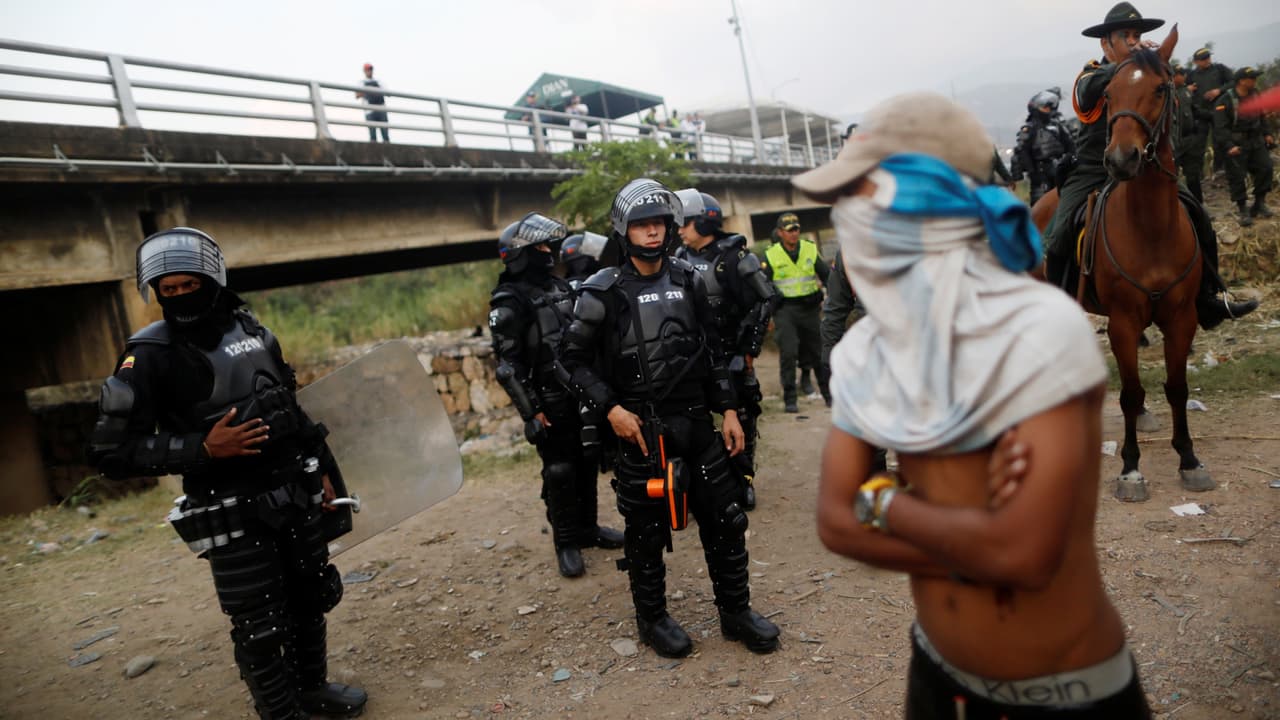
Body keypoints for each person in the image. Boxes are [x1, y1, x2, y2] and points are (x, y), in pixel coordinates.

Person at [800, 90, 1154, 719]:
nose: (850, 222)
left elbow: (1025, 555)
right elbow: (835, 521)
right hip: (936, 677)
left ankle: (1205, 290)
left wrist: (882, 501)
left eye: (864, 199)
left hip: (1071, 696)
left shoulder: (1040, 332)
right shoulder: (868, 352)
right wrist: (974, 541)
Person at [88, 228, 367, 720]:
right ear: (156, 291)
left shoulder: (253, 332)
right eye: (168, 289)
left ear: (211, 280)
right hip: (232, 508)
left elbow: (290, 409)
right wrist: (203, 447)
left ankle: (313, 688)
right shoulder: (148, 354)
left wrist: (323, 470)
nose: (179, 296)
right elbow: (111, 453)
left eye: (188, 285)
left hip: (293, 490)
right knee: (260, 625)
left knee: (311, 595)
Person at [557, 178, 779, 658]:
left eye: (659, 222)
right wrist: (611, 409)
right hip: (641, 431)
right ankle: (652, 619)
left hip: (697, 423)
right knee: (645, 534)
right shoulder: (602, 292)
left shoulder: (688, 278)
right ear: (625, 230)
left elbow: (712, 351)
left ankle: (736, 612)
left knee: (725, 520)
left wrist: (729, 410)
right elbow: (569, 362)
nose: (653, 232)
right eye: (643, 225)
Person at [1042, 2, 1257, 330]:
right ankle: (1060, 306)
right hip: (1094, 169)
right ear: (1105, 42)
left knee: (1199, 217)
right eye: (1125, 36)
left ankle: (1209, 297)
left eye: (1136, 35)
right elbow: (1086, 93)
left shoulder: (1150, 75)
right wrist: (1133, 64)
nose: (1133, 41)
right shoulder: (1091, 73)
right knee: (1058, 237)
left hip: (1148, 168)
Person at [488, 214, 624, 578]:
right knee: (560, 469)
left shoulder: (560, 287)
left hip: (580, 393)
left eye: (549, 246)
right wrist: (531, 411)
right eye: (541, 247)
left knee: (587, 460)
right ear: (521, 254)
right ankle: (566, 542)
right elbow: (508, 365)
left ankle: (589, 529)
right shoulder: (509, 301)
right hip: (548, 401)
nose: (549, 253)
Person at [675, 188, 778, 510]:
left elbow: (766, 299)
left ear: (704, 222)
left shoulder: (735, 257)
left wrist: (748, 350)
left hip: (732, 351)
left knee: (742, 415)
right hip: (696, 354)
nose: (679, 230)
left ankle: (743, 480)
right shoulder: (678, 258)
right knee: (694, 422)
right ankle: (702, 487)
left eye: (685, 223)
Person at [764, 212, 829, 412]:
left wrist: (830, 300)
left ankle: (829, 395)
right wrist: (770, 306)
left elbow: (827, 276)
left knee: (819, 353)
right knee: (789, 353)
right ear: (780, 233)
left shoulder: (809, 249)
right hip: (785, 311)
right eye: (789, 230)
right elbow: (763, 285)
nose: (793, 233)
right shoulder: (771, 254)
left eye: (796, 229)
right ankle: (790, 399)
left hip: (810, 308)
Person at [1212, 66, 1275, 227]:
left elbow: (1262, 116)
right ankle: (1243, 209)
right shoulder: (1225, 100)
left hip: (1256, 141)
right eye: (1252, 78)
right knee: (1237, 177)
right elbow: (1220, 127)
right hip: (1237, 144)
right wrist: (1229, 146)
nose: (1255, 81)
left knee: (1266, 168)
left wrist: (1267, 133)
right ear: (1241, 81)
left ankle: (1259, 203)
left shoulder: (1255, 94)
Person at [1010, 90, 1075, 206]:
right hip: (1040, 174)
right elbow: (1022, 152)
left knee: (1064, 203)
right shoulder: (1029, 129)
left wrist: (1068, 161)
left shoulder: (1057, 126)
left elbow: (1071, 145)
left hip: (1060, 171)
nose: (1048, 110)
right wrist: (1032, 172)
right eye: (1045, 108)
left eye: (1049, 108)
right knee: (1040, 204)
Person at [1185, 47, 1234, 198]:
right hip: (1201, 114)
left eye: (1208, 57)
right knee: (1198, 145)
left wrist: (1219, 90)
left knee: (1221, 141)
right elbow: (1181, 89)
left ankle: (1220, 172)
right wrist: (1188, 89)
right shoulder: (1191, 75)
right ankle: (1199, 176)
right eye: (1203, 59)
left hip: (1220, 112)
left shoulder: (1219, 69)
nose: (1207, 60)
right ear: (1196, 62)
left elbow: (1234, 81)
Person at [1171, 64, 1201, 191]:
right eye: (1178, 74)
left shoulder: (1187, 91)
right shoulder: (1167, 92)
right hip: (1173, 142)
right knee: (1172, 176)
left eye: (1182, 74)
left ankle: (1197, 201)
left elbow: (1195, 110)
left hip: (1189, 140)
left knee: (1193, 175)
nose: (1181, 77)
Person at [356, 62, 389, 143]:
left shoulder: (379, 81)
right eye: (367, 69)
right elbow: (357, 95)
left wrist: (373, 89)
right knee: (372, 134)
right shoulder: (361, 82)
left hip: (381, 109)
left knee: (385, 134)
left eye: (370, 69)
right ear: (364, 71)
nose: (369, 71)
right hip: (369, 110)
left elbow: (388, 93)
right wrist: (369, 90)